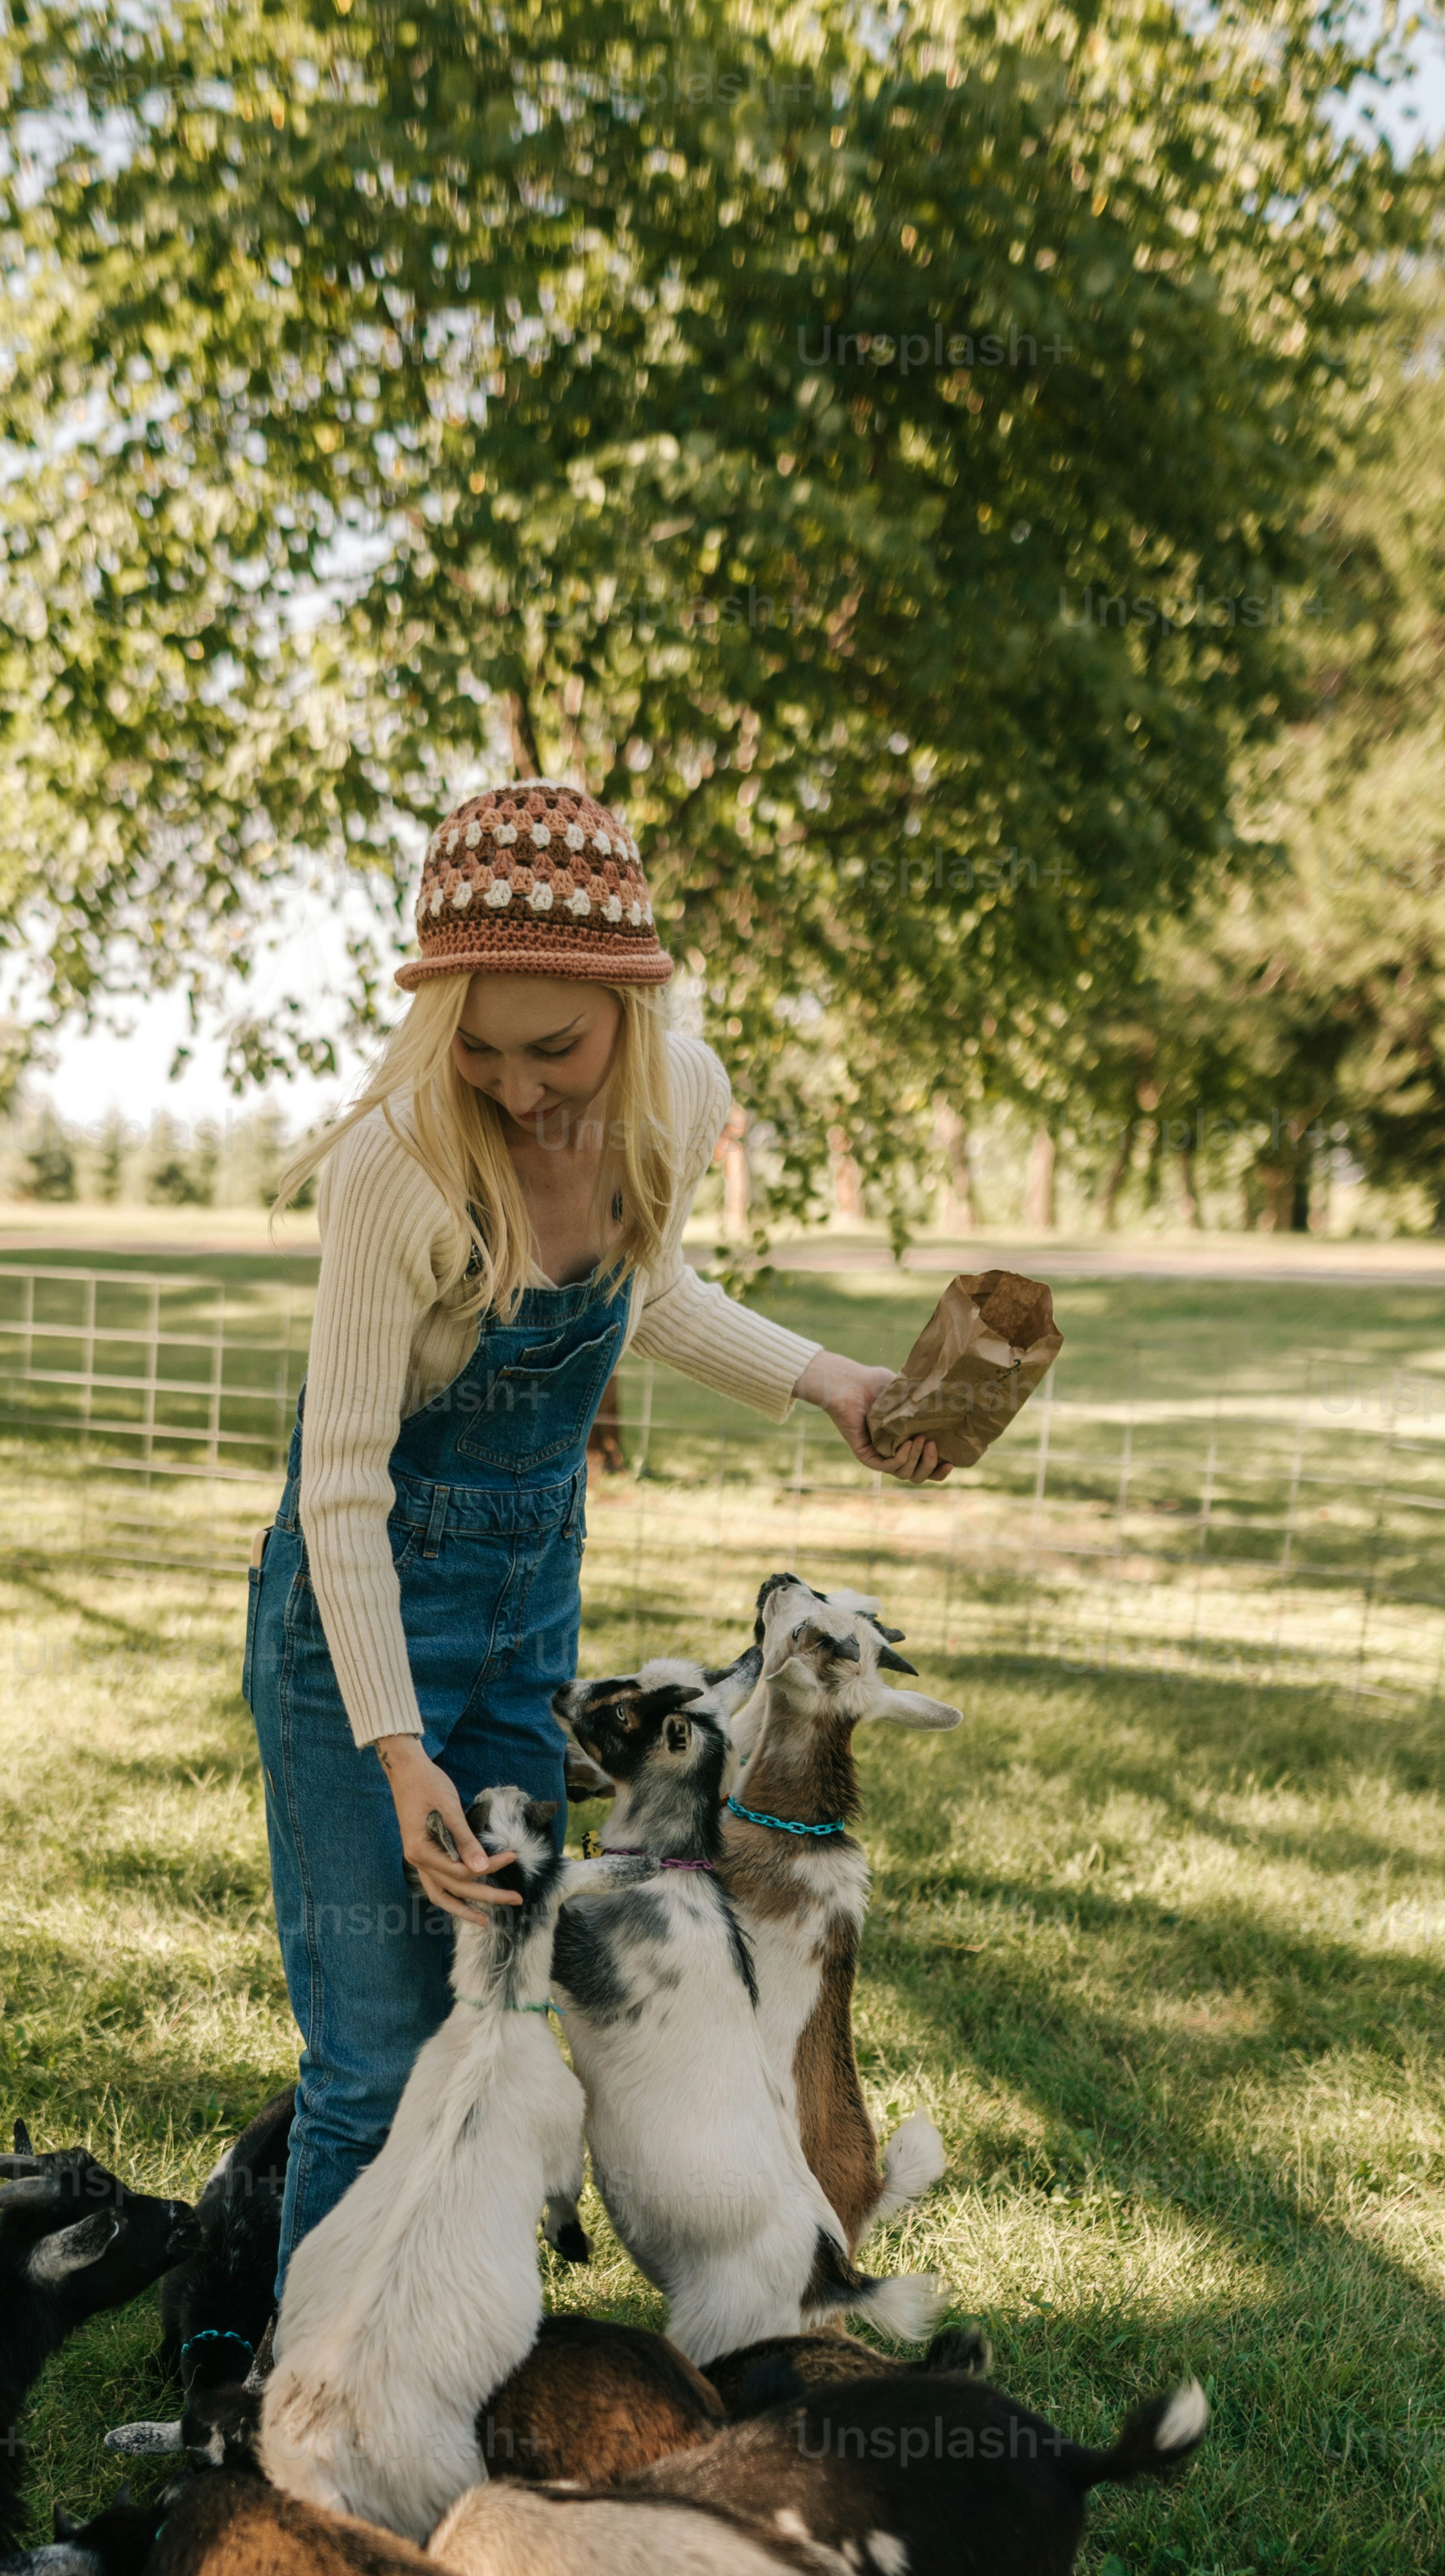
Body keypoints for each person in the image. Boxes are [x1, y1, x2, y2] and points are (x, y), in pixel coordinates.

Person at [240, 778, 947, 2318]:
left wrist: (830, 1383)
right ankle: (289, 2444)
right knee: (375, 2060)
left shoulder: (678, 1096)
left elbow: (651, 1293)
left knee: (491, 2024)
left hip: (522, 1611)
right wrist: (395, 1752)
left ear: (633, 1005)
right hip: (361, 1622)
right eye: (478, 1048)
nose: (521, 1090)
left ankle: (446, 2375)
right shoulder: (402, 1167)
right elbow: (338, 1485)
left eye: (557, 1048)